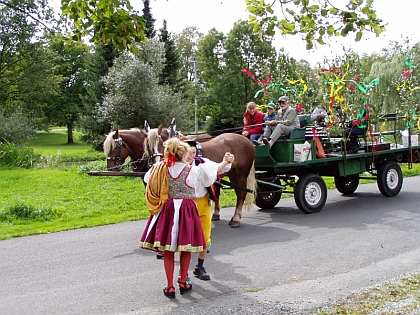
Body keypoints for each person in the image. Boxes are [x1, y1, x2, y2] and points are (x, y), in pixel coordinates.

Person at [139, 138, 234, 298]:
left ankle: (169, 286)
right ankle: (183, 282)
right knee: (186, 246)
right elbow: (210, 179)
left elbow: (147, 179)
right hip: (187, 209)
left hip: (167, 208)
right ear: (183, 153)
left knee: (168, 249)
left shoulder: (159, 167)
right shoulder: (193, 170)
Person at [185, 140, 234, 281]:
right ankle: (183, 272)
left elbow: (217, 169)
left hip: (203, 203)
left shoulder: (202, 162)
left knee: (204, 237)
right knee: (184, 239)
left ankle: (199, 266)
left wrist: (226, 161)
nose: (191, 156)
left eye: (193, 153)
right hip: (186, 205)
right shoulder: (178, 166)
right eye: (188, 153)